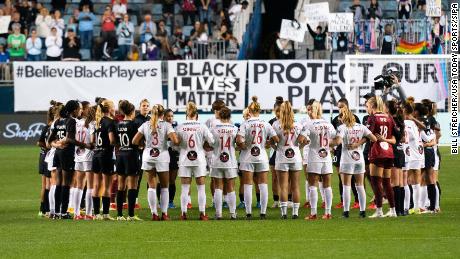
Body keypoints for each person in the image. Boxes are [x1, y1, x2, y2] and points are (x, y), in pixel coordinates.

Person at [133, 104, 178, 221]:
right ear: (162, 115)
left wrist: (143, 145)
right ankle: (164, 213)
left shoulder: (145, 124)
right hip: (162, 156)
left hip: (148, 155)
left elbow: (134, 141)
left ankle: (154, 214)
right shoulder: (167, 125)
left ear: (152, 114)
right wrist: (169, 142)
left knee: (151, 186)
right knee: (164, 187)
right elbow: (175, 140)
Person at [236, 96, 279, 220]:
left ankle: (248, 213)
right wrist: (267, 143)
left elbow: (239, 140)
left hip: (247, 157)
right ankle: (263, 213)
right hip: (261, 156)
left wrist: (244, 146)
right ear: (259, 111)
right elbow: (276, 139)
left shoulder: (245, 124)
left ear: (249, 111)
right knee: (263, 184)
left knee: (248, 184)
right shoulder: (266, 124)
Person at [334, 105, 377, 218]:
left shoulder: (342, 128)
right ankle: (362, 211)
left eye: (340, 117)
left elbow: (338, 142)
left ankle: (346, 212)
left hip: (347, 159)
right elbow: (373, 139)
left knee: (346, 185)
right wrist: (359, 143)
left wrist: (329, 142)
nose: (340, 119)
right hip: (359, 159)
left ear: (344, 117)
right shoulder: (361, 127)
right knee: (360, 185)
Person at [175, 102, 214, 220]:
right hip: (199, 159)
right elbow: (212, 141)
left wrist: (181, 148)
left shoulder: (180, 126)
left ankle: (183, 213)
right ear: (197, 115)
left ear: (186, 115)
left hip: (184, 159)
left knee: (185, 188)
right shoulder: (202, 126)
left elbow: (173, 144)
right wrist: (204, 145)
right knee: (201, 187)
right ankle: (202, 213)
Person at [273, 101, 309, 219]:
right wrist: (299, 147)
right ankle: (295, 213)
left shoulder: (275, 124)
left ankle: (284, 213)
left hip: (281, 157)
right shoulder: (298, 125)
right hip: (296, 157)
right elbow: (302, 142)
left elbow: (273, 142)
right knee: (295, 186)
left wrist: (276, 148)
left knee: (283, 186)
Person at [47, 100, 84, 219]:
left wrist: (57, 145)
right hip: (67, 154)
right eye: (79, 108)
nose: (80, 111)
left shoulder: (58, 121)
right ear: (74, 110)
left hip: (58, 154)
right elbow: (70, 139)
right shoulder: (71, 121)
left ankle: (56, 212)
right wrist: (85, 145)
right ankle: (63, 212)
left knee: (58, 183)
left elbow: (50, 141)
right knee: (66, 184)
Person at [303, 101, 336, 220]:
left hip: (314, 156)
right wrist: (328, 146)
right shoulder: (328, 124)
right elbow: (335, 139)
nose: (309, 112)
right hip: (326, 156)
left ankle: (313, 213)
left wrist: (304, 141)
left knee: (313, 185)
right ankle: (328, 213)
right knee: (327, 185)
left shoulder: (309, 124)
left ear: (314, 110)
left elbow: (302, 139)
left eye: (310, 110)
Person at [366, 96, 397, 218]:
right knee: (387, 182)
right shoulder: (389, 117)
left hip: (377, 151)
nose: (367, 108)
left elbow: (369, 135)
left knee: (376, 182)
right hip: (388, 151)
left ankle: (379, 211)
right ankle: (393, 210)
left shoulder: (372, 118)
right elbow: (395, 138)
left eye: (368, 106)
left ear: (373, 106)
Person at [114, 101, 143, 221]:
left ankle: (120, 215)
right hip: (131, 155)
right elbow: (138, 142)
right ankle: (131, 215)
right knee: (132, 185)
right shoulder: (134, 124)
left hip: (120, 155)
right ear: (132, 112)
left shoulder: (118, 124)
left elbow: (115, 141)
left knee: (121, 186)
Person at [209, 107, 239, 219]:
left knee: (218, 187)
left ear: (220, 116)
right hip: (230, 161)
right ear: (230, 116)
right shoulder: (234, 128)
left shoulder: (213, 129)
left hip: (217, 160)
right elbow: (239, 142)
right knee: (231, 187)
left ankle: (218, 214)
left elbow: (209, 144)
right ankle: (232, 213)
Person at [331, 98, 361, 210]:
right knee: (341, 176)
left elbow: (360, 133)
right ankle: (343, 200)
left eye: (342, 106)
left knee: (353, 176)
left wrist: (357, 145)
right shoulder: (335, 120)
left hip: (352, 150)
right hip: (339, 151)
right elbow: (332, 135)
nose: (340, 109)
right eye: (338, 107)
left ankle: (357, 200)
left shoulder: (355, 118)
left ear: (347, 106)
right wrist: (332, 147)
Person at [91, 99, 116, 220]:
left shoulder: (97, 122)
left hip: (96, 155)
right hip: (105, 156)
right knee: (106, 186)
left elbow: (93, 141)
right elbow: (111, 140)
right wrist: (114, 145)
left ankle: (96, 214)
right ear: (110, 109)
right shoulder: (110, 122)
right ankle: (105, 214)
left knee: (96, 185)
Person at [73, 102, 94, 220]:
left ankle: (76, 213)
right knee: (90, 186)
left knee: (79, 186)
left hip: (78, 155)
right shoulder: (91, 124)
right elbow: (92, 141)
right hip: (88, 156)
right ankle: (89, 214)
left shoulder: (77, 123)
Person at [386, 100, 406, 216]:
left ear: (388, 109)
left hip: (393, 151)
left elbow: (396, 136)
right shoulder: (400, 120)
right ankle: (400, 210)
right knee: (399, 183)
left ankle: (394, 210)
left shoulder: (390, 121)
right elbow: (401, 137)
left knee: (393, 182)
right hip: (400, 150)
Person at [36, 104, 55, 217]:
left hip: (43, 156)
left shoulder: (48, 126)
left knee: (45, 185)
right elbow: (39, 142)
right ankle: (46, 209)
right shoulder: (50, 127)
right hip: (46, 156)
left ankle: (43, 209)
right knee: (49, 184)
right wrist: (48, 147)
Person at [269, 97, 284, 208]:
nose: (278, 113)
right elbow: (268, 140)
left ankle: (288, 199)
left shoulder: (289, 121)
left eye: (280, 110)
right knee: (274, 178)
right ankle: (276, 200)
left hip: (287, 152)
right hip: (274, 152)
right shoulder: (271, 122)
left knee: (286, 178)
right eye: (277, 111)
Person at [164, 109, 180, 208]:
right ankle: (161, 201)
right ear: (164, 116)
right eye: (168, 116)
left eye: (171, 116)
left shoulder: (176, 127)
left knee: (172, 179)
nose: (170, 118)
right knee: (162, 180)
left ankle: (170, 201)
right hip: (163, 154)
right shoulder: (161, 126)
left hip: (173, 154)